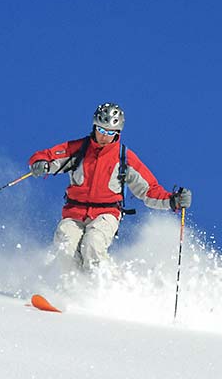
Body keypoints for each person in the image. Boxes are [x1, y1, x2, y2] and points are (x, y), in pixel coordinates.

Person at [27, 102, 192, 271]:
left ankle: (99, 287)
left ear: (117, 133)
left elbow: (149, 189)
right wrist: (41, 163)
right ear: (94, 127)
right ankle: (70, 287)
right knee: (65, 244)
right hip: (74, 212)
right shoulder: (78, 149)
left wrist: (174, 200)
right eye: (101, 130)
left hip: (106, 213)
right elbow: (47, 156)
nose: (104, 136)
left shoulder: (124, 157)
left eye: (110, 132)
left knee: (93, 243)